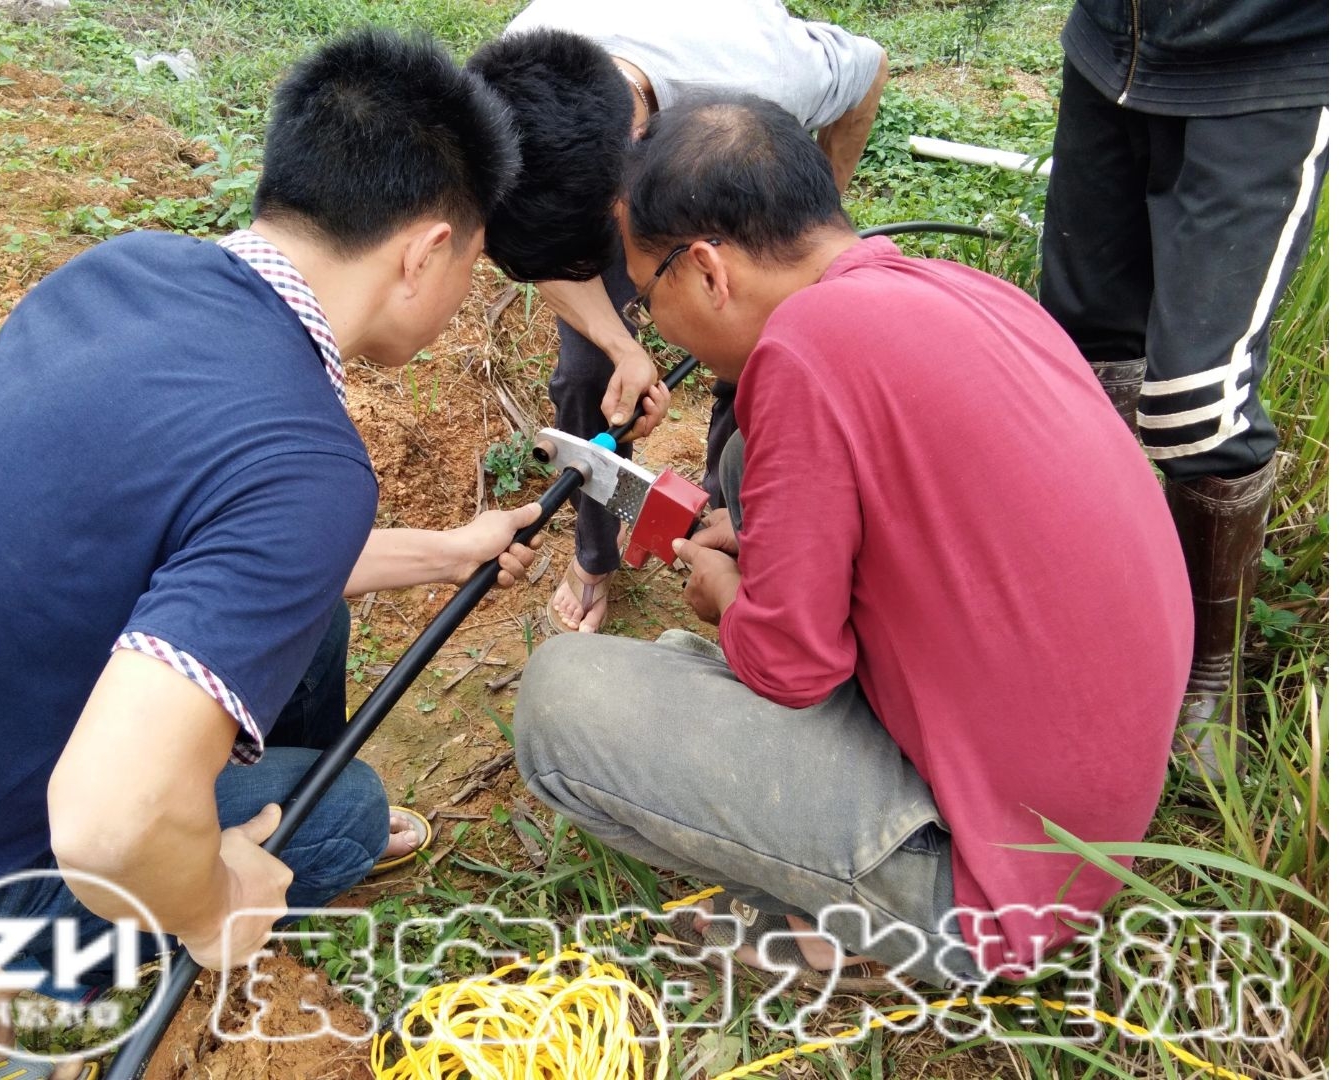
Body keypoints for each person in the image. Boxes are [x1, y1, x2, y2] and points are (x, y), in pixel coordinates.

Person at [0, 30, 541, 1080]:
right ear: (426, 253)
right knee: (338, 820)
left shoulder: (130, 268)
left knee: (304, 617)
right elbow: (112, 821)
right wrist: (212, 902)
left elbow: (217, 543)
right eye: (470, 264)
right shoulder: (305, 460)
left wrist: (449, 551)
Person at [513, 96, 1193, 986]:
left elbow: (791, 668)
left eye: (649, 300)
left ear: (709, 270)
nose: (657, 330)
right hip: (1088, 806)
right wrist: (770, 552)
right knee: (749, 465)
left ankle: (853, 931)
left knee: (563, 704)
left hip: (995, 891)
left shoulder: (802, 350)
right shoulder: (950, 286)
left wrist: (731, 600)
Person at [466, 3, 888, 633]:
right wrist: (623, 347)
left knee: (754, 367)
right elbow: (537, 249)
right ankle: (595, 556)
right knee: (589, 376)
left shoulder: (764, 74)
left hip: (730, 170)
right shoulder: (516, 86)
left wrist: (807, 224)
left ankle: (729, 528)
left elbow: (872, 69)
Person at [1038, 0, 1328, 773]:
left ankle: (1211, 666)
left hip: (1263, 65)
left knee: (1197, 405)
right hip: (1112, 46)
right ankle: (1106, 607)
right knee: (1082, 358)